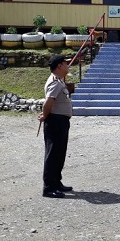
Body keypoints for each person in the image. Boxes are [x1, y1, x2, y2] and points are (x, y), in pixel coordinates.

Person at [39, 55, 74, 198]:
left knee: (59, 153)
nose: (68, 66)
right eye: (66, 63)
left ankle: (56, 182)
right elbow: (48, 102)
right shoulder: (55, 82)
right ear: (59, 66)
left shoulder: (59, 81)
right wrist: (44, 115)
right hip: (55, 121)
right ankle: (48, 187)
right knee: (53, 154)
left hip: (61, 120)